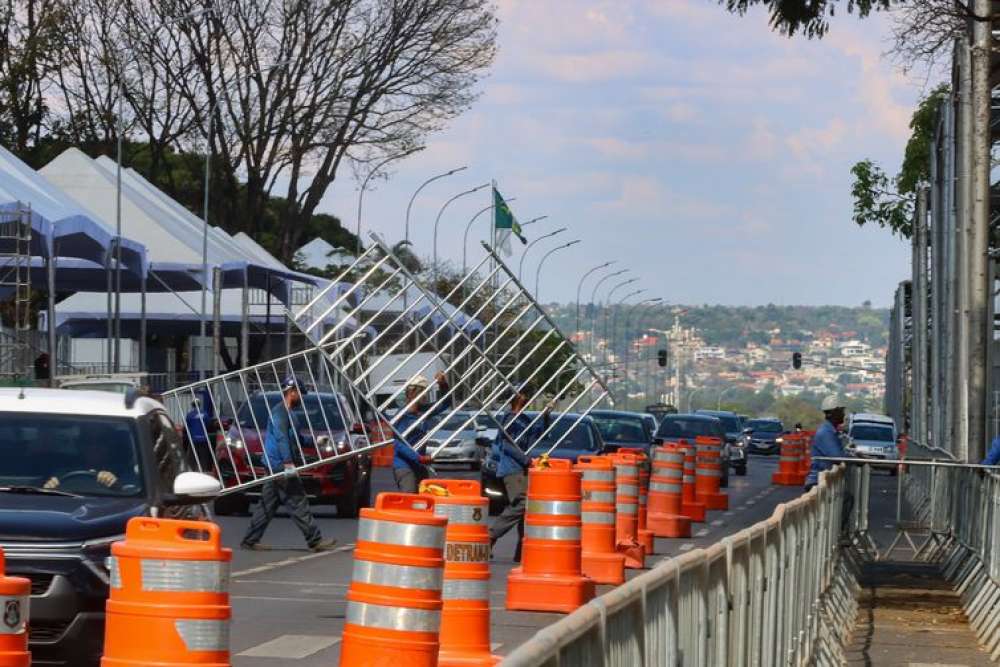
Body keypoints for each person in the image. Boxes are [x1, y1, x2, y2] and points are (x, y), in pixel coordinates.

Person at [241, 376, 337, 552]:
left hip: (276, 466)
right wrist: (288, 463)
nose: (302, 397)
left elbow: (297, 440)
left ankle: (249, 540)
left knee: (267, 505)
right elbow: (282, 439)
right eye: (300, 393)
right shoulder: (280, 413)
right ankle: (315, 540)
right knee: (298, 501)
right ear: (292, 393)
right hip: (278, 465)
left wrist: (316, 441)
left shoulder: (291, 415)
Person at [488, 387, 552, 563]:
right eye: (523, 394)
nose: (526, 397)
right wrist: (526, 460)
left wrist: (546, 415)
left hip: (522, 469)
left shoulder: (524, 419)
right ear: (515, 398)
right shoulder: (508, 420)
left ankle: (522, 550)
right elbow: (507, 446)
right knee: (522, 503)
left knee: (527, 509)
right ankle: (490, 536)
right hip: (512, 468)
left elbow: (539, 434)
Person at [392, 372, 451, 492]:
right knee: (410, 497)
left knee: (424, 499)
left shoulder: (424, 411)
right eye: (422, 392)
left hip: (420, 465)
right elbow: (398, 444)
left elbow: (445, 403)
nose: (424, 396)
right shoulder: (402, 416)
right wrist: (418, 458)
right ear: (411, 393)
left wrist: (443, 385)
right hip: (405, 466)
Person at [805, 395, 848, 491]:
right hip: (818, 482)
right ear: (834, 412)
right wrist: (856, 460)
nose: (843, 414)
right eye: (841, 411)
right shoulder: (825, 433)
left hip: (824, 480)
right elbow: (838, 457)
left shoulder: (831, 431)